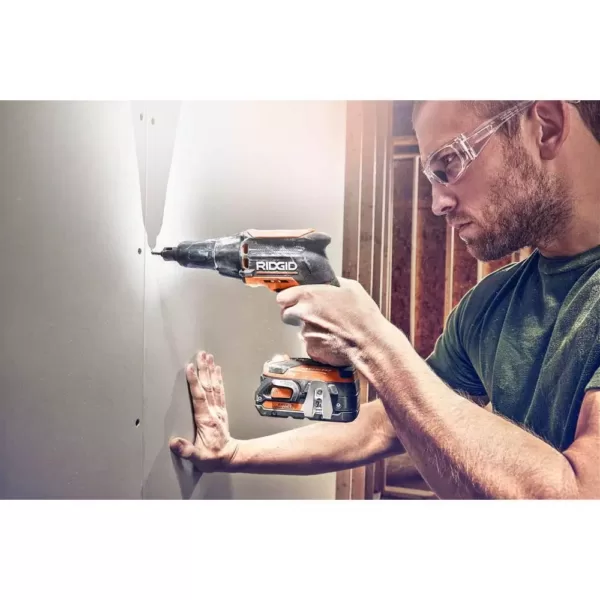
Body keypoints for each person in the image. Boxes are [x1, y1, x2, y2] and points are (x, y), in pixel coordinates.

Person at [169, 100, 600, 499]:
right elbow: (388, 424)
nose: (437, 203)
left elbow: (580, 497)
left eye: (450, 162)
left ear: (546, 127)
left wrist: (373, 342)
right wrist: (234, 452)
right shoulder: (491, 304)